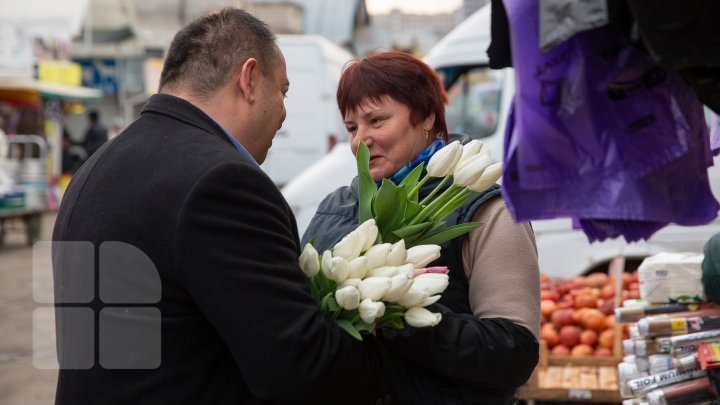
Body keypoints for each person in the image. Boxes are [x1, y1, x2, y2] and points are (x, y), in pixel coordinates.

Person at [53, 9, 413, 404]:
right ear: (249, 79)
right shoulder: (222, 182)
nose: (283, 112)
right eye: (284, 91)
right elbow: (301, 368)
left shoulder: (95, 168)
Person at [303, 51, 541, 405]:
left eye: (377, 121)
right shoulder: (333, 209)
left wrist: (401, 310)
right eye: (352, 128)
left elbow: (512, 352)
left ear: (427, 116)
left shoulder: (488, 211)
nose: (359, 141)